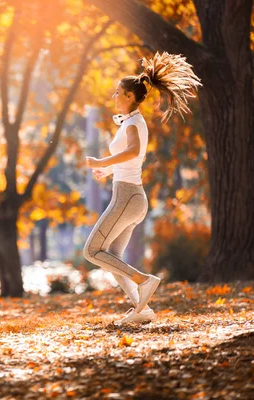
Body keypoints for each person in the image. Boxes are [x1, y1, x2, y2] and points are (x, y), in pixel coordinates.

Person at [84, 52, 201, 325]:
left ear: (129, 97)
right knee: (112, 256)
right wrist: (108, 169)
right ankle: (142, 308)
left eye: (118, 93)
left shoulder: (135, 123)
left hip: (127, 197)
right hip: (131, 198)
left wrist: (102, 160)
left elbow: (135, 150)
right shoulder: (131, 122)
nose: (114, 96)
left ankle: (144, 281)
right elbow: (135, 156)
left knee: (92, 252)